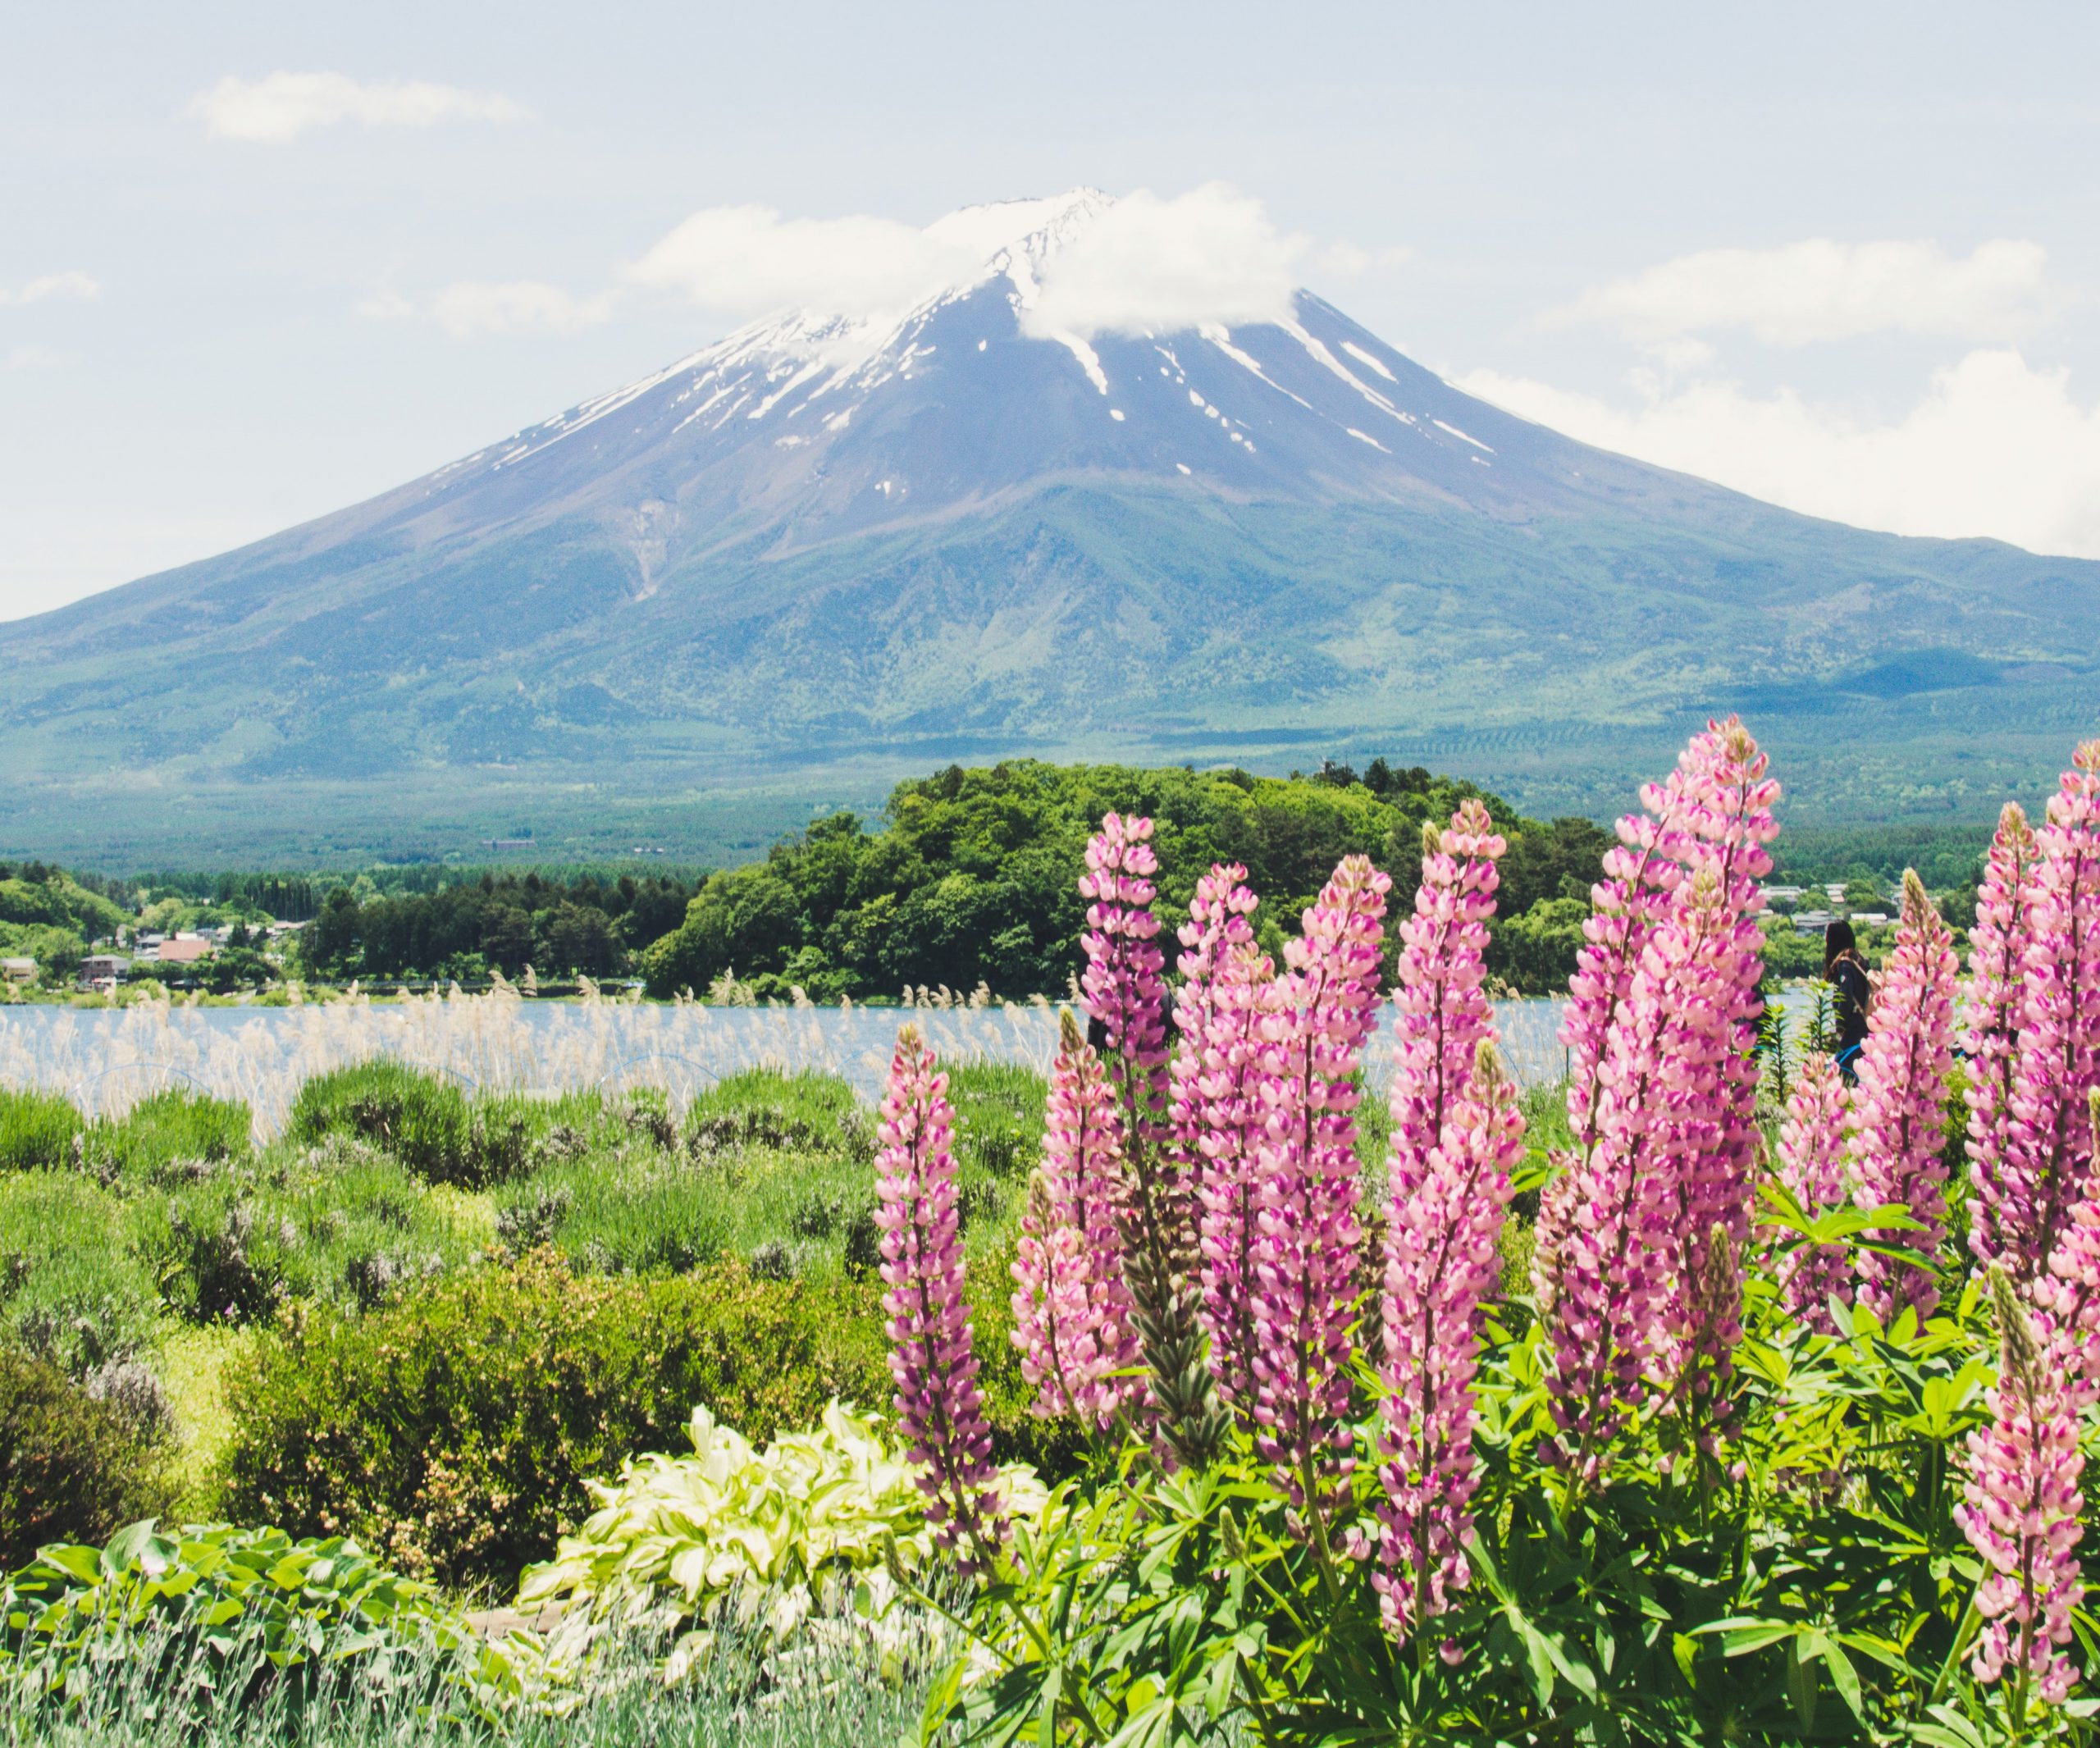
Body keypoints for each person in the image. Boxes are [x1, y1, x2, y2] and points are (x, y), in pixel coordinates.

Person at [1824, 920, 1872, 1082]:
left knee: (1843, 1073)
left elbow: (1844, 997)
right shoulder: (1859, 961)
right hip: (1868, 1026)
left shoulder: (1844, 965)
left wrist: (1840, 1024)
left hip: (1853, 1029)